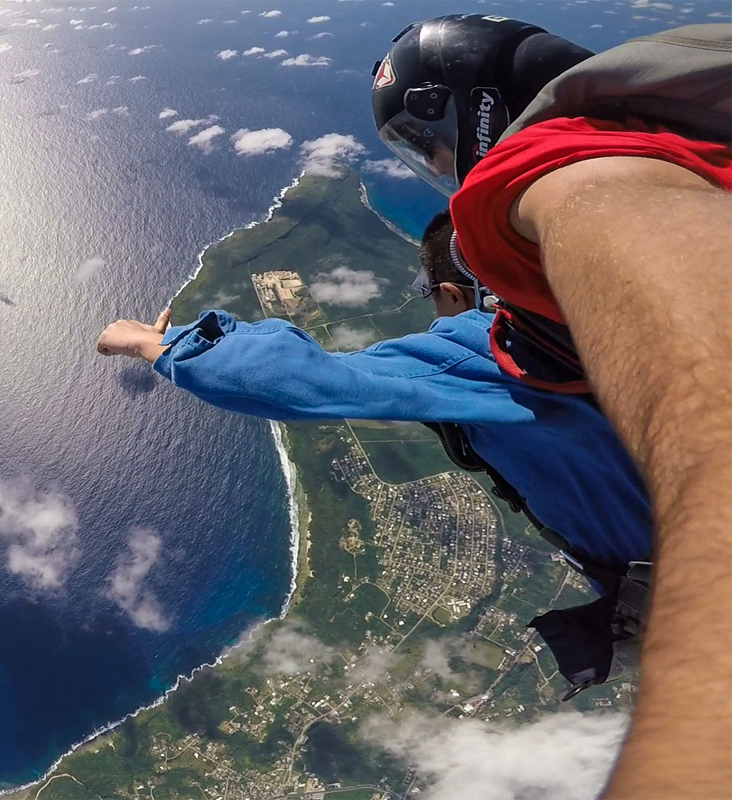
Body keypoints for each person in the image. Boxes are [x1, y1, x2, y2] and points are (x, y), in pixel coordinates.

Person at [372, 14, 731, 798]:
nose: (438, 167)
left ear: (477, 109)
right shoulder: (674, 140)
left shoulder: (561, 169)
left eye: (427, 142)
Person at [98, 211, 652, 691]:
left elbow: (310, 381)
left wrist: (160, 346)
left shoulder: (496, 348)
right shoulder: (626, 318)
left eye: (434, 297)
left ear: (455, 294)